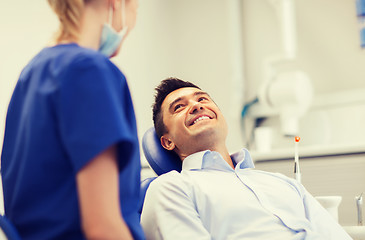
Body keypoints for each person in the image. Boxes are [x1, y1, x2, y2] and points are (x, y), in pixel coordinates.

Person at [140, 77, 352, 240]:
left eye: (202, 99)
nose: (197, 106)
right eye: (179, 107)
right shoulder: (170, 188)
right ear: (167, 142)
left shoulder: (283, 183)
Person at [1, 0, 144, 239]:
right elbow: (102, 228)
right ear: (116, 3)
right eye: (135, 9)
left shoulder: (32, 72)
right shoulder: (90, 70)